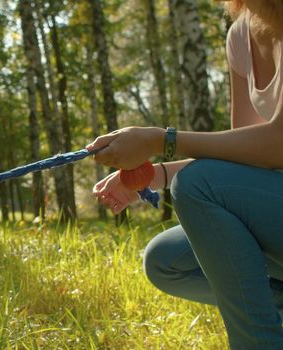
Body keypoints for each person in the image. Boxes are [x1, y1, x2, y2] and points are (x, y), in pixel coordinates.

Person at [86, 0, 283, 348]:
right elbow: (244, 157)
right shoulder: (241, 33)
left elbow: (277, 144)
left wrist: (159, 140)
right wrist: (153, 175)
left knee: (197, 185)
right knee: (164, 260)